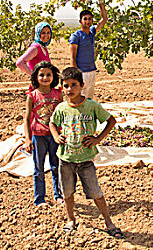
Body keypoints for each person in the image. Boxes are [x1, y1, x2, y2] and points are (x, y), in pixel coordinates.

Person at [49, 67, 123, 238]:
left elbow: (111, 121)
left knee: (96, 192)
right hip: (65, 159)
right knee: (67, 192)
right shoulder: (61, 108)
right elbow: (53, 123)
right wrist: (56, 136)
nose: (70, 89)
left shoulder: (91, 105)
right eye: (66, 86)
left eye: (73, 85)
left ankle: (108, 222)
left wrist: (98, 139)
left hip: (86, 160)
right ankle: (70, 219)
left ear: (82, 85)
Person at [23, 61, 64, 207]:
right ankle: (39, 198)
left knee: (56, 165)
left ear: (53, 77)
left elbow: (62, 115)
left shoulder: (58, 94)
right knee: (38, 168)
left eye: (48, 75)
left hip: (55, 136)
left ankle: (58, 195)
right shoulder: (32, 96)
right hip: (38, 136)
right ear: (36, 77)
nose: (45, 78)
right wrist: (28, 139)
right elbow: (27, 118)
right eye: (42, 75)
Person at [69, 0, 108, 98]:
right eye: (85, 19)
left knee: (89, 99)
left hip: (91, 71)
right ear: (80, 21)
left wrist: (100, 1)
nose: (88, 21)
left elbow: (104, 19)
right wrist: (75, 75)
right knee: (79, 98)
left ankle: (89, 115)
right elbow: (72, 57)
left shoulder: (92, 32)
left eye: (89, 19)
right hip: (81, 73)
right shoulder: (76, 36)